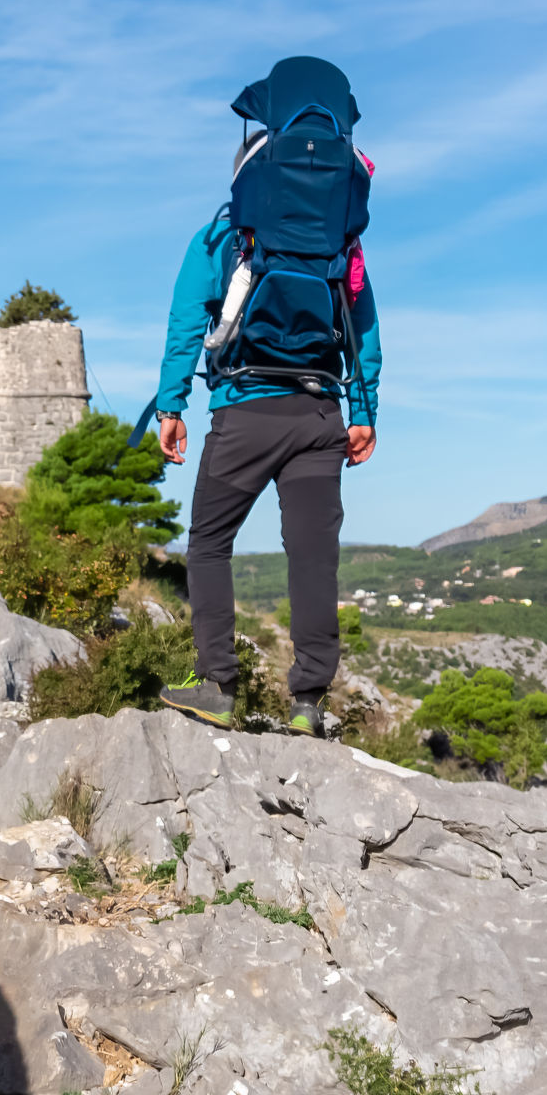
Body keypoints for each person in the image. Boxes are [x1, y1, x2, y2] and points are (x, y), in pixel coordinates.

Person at [150, 56, 381, 737]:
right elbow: (363, 330)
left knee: (210, 544)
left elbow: (186, 321)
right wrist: (363, 415)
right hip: (319, 414)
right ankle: (308, 703)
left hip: (243, 412)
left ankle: (217, 685)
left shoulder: (225, 232)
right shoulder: (342, 241)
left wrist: (171, 406)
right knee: (312, 557)